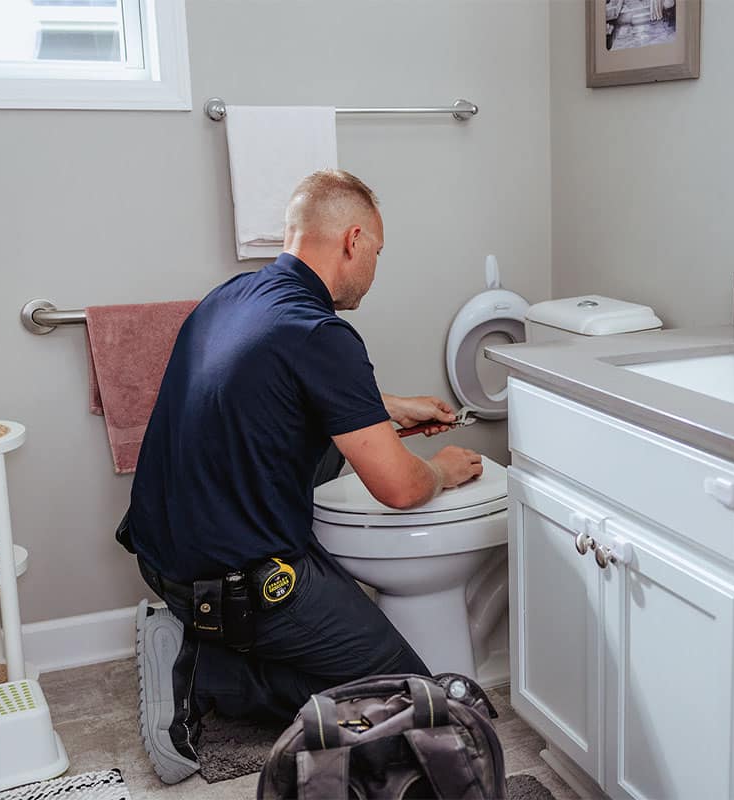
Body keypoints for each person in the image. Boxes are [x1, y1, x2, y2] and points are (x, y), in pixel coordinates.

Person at [126, 169, 485, 784]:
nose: (375, 266)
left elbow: (272, 401)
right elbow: (399, 489)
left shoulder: (234, 298)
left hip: (162, 552)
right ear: (351, 240)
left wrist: (387, 409)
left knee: (331, 449)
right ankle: (207, 669)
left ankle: (195, 630)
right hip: (243, 579)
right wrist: (442, 471)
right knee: (414, 708)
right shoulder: (324, 334)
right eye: (376, 250)